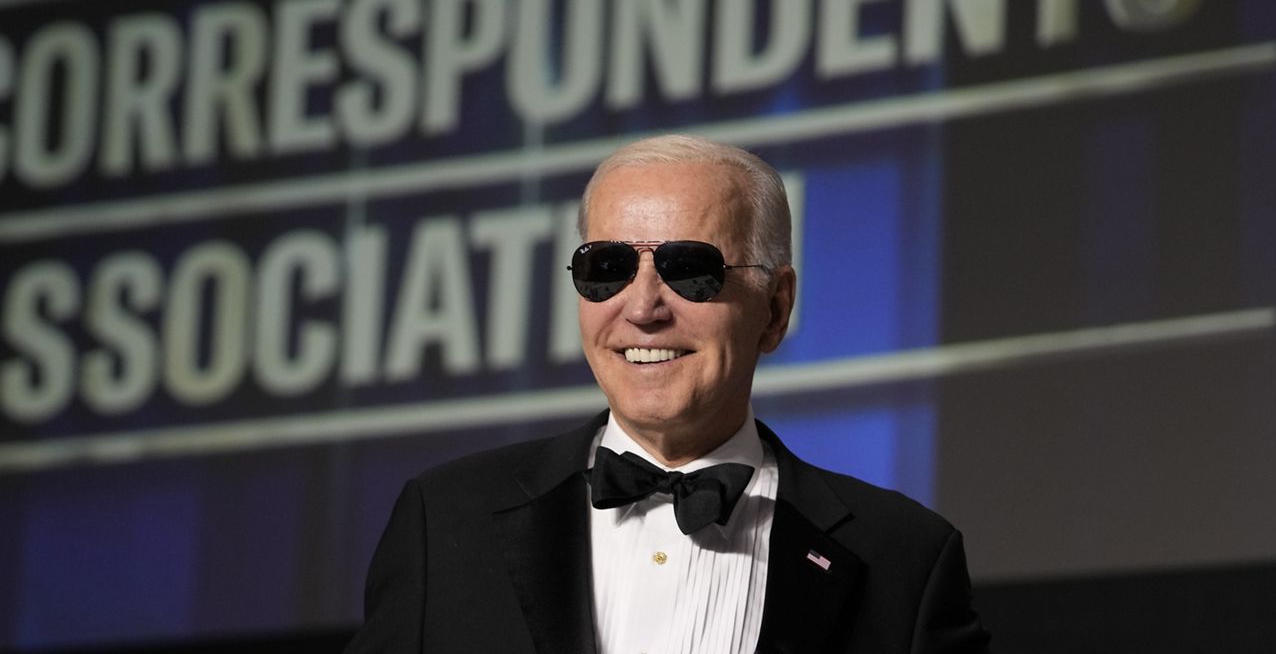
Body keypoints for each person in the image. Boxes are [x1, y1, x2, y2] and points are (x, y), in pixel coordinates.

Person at [346, 134, 991, 653]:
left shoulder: (903, 560)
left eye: (689, 269)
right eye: (608, 268)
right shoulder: (445, 519)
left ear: (775, 309)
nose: (643, 308)